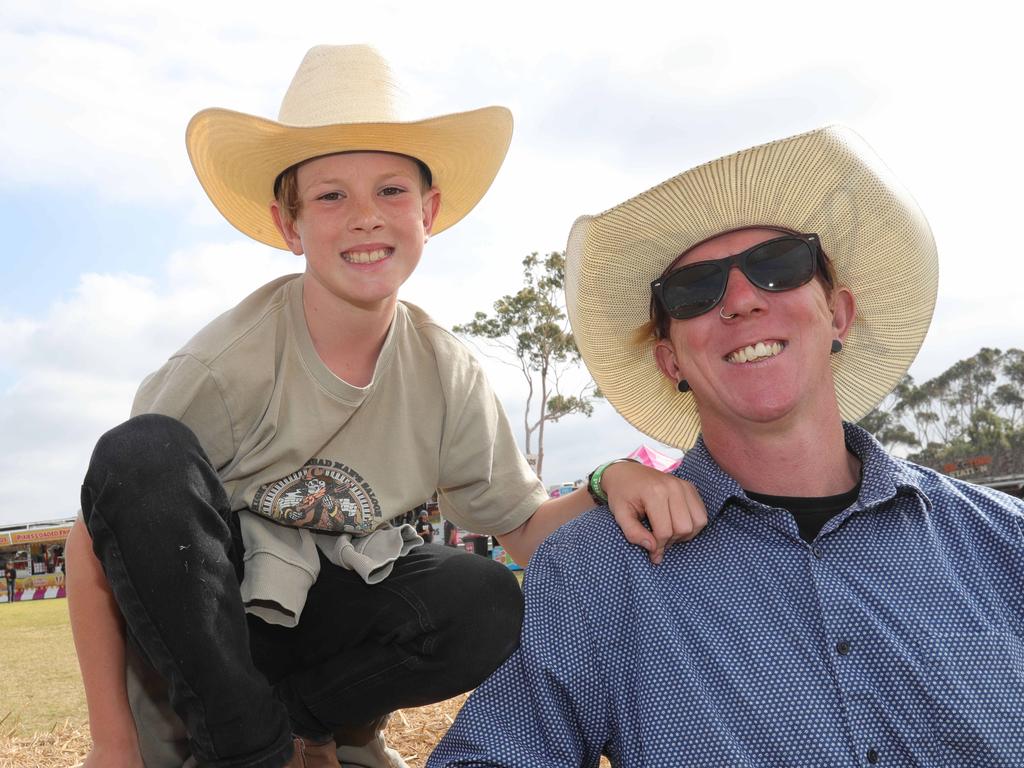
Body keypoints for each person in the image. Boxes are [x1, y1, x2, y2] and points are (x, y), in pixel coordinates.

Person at [65, 45, 706, 768]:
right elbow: (98, 537)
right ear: (289, 223)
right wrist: (111, 744)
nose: (366, 218)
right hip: (211, 653)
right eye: (332, 195)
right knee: (140, 451)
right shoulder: (222, 367)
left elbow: (524, 527)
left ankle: (300, 731)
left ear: (428, 212)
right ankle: (241, 746)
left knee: (489, 599)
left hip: (324, 645)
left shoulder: (443, 371)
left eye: (392, 191)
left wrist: (608, 479)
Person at [430, 126, 1024, 767]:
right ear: (669, 361)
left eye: (779, 267)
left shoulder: (1002, 544)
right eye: (695, 291)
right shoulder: (596, 575)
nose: (741, 300)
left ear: (839, 315)